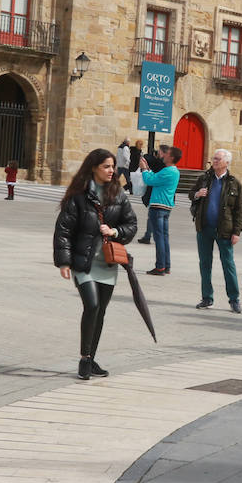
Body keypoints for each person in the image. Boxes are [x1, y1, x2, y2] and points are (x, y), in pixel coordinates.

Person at [54, 148, 137, 379]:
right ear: (93, 168)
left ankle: (91, 359)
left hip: (108, 264)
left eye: (113, 166)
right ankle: (83, 359)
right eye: (107, 166)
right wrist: (64, 262)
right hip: (84, 262)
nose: (112, 170)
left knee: (100, 312)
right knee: (91, 306)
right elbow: (63, 230)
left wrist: (115, 230)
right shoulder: (78, 196)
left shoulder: (118, 194)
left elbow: (131, 224)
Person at [190, 149, 242, 313]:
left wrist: (237, 231)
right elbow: (191, 194)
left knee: (228, 264)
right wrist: (197, 194)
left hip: (224, 230)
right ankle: (207, 298)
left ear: (226, 162)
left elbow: (239, 210)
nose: (214, 161)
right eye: (213, 159)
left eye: (218, 159)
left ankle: (234, 299)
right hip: (204, 227)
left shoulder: (234, 183)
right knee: (205, 264)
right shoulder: (204, 178)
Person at [138, 144, 181, 275]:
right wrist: (148, 169)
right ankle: (166, 265)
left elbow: (150, 181)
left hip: (158, 206)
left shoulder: (168, 171)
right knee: (164, 237)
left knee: (159, 238)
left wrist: (144, 169)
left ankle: (160, 266)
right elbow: (156, 179)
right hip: (166, 207)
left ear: (171, 157)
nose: (164, 155)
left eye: (166, 153)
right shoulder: (173, 171)